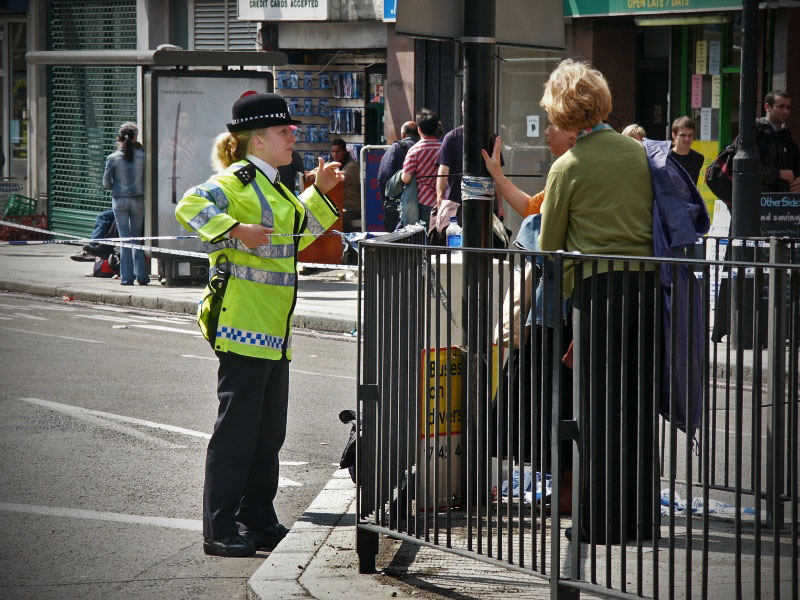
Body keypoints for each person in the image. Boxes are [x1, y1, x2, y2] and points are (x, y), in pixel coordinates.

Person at [175, 92, 342, 558]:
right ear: (257, 140)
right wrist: (233, 230)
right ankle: (219, 527)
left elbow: (296, 235)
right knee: (236, 434)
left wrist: (322, 192)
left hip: (275, 332)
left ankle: (258, 519)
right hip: (242, 326)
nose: (294, 136)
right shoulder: (235, 181)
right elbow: (188, 205)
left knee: (268, 435)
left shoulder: (276, 185)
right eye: (284, 131)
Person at [538, 59, 656, 545]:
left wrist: (568, 288)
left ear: (562, 111)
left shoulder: (567, 167)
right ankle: (638, 520)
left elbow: (549, 246)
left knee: (597, 411)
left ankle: (598, 523)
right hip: (645, 290)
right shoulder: (636, 153)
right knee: (635, 406)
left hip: (597, 293)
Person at [103, 123, 148, 286]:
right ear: (135, 137)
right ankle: (142, 276)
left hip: (120, 200)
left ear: (119, 139)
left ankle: (127, 278)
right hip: (138, 200)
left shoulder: (112, 158)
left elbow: (106, 183)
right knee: (137, 238)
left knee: (125, 239)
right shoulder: (143, 157)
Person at [400, 109, 441, 227]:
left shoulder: (414, 150)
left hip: (423, 200)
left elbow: (406, 178)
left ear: (419, 129)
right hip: (442, 201)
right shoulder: (443, 147)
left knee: (423, 238)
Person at [378, 121, 419, 232]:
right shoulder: (425, 148)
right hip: (424, 204)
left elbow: (384, 177)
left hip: (398, 206)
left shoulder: (396, 148)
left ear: (403, 135)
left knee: (398, 242)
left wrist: (386, 200)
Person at [756, 90, 800, 192]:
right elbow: (747, 169)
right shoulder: (754, 133)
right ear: (767, 107)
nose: (786, 111)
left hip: (784, 201)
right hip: (759, 200)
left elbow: (796, 167)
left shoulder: (787, 138)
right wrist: (779, 173)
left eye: (788, 107)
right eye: (781, 107)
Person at [330, 138, 361, 232]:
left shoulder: (352, 166)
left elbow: (338, 177)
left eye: (338, 151)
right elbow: (322, 169)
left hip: (351, 208)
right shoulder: (333, 164)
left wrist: (317, 174)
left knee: (336, 217)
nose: (335, 154)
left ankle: (353, 240)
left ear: (345, 152)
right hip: (338, 207)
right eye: (333, 152)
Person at [669, 116, 704, 184]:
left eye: (690, 135)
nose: (687, 139)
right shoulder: (666, 159)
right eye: (683, 135)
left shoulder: (698, 158)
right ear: (674, 135)